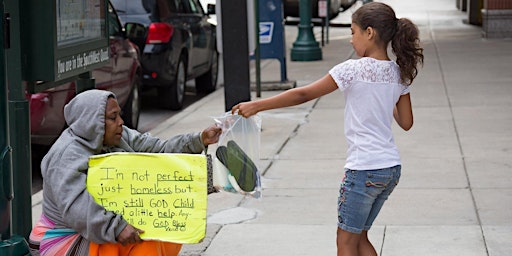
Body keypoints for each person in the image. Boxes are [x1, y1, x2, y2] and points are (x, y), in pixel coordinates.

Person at [231, 2, 423, 256]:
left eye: (353, 32)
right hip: (389, 169)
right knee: (360, 237)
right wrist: (387, 97)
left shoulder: (352, 69)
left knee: (345, 241)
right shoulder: (398, 73)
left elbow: (303, 94)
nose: (351, 40)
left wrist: (257, 105)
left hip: (363, 169)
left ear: (369, 32)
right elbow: (406, 123)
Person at [29, 89, 222, 256]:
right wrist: (117, 227)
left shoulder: (119, 137)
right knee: (139, 240)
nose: (121, 122)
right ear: (92, 122)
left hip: (94, 229)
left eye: (119, 115)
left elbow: (159, 151)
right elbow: (78, 210)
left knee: (158, 233)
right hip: (62, 239)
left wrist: (199, 139)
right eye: (113, 118)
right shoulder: (67, 155)